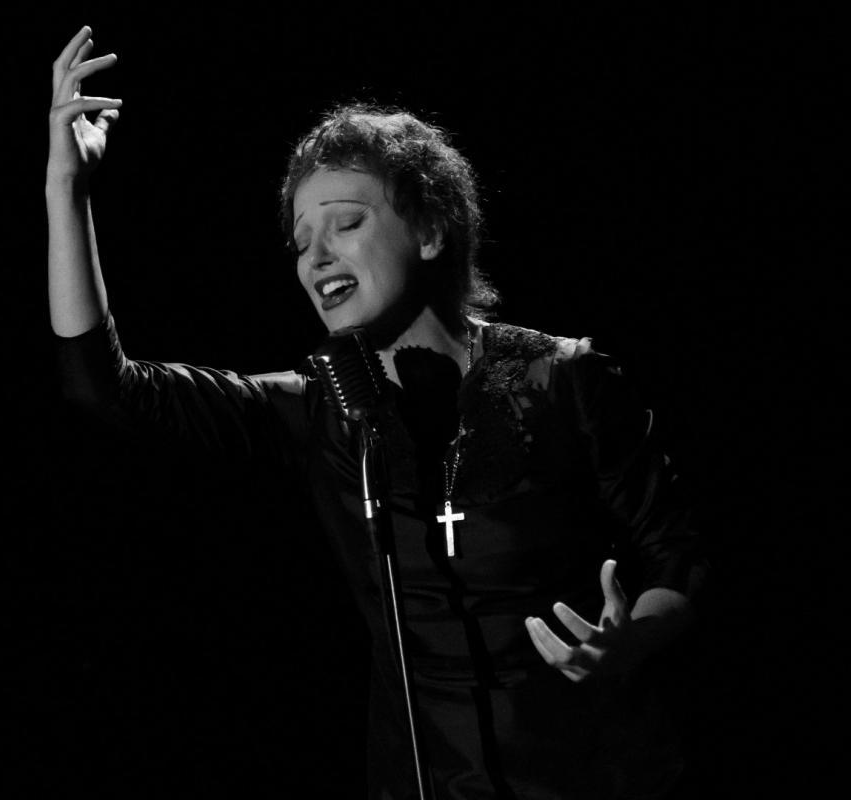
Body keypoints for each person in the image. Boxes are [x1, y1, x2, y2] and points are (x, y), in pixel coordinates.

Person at [48, 26, 708, 799]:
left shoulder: (563, 379)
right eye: (301, 241)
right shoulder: (321, 407)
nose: (316, 256)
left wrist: (631, 639)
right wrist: (68, 190)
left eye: (346, 223)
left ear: (429, 230)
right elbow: (106, 388)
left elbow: (680, 558)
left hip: (593, 777)